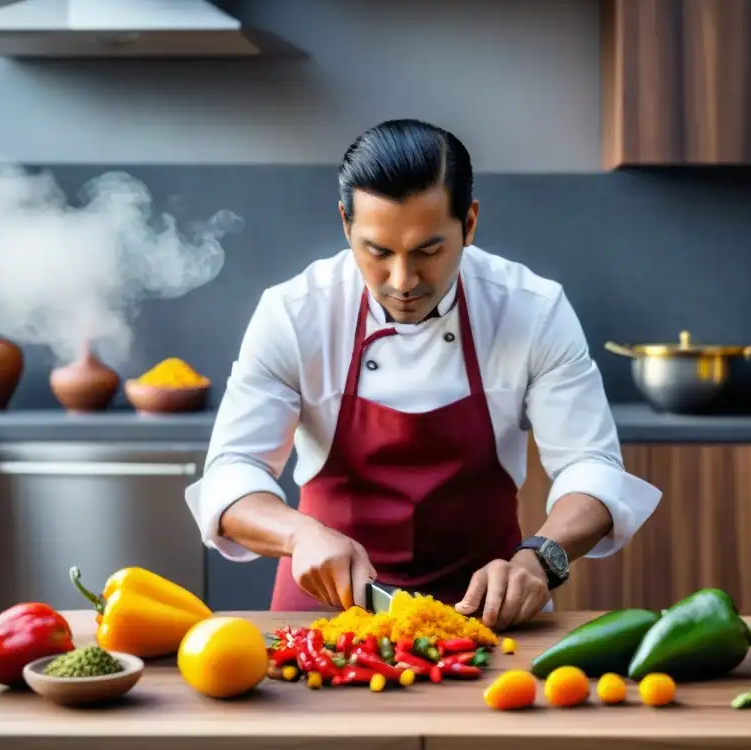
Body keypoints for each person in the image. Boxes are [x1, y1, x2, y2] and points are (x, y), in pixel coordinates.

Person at [184, 118, 662, 630]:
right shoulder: (294, 313)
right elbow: (232, 473)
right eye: (378, 251)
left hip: (489, 617)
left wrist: (542, 558)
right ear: (346, 224)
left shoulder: (531, 310)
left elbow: (591, 467)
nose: (403, 280)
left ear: (470, 223)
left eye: (428, 251)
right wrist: (297, 535)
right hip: (326, 618)